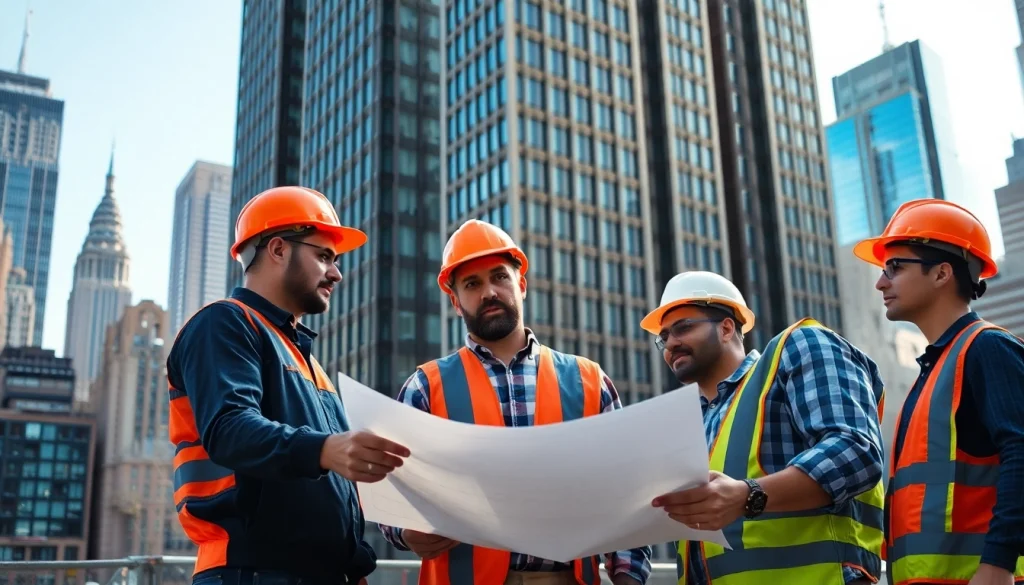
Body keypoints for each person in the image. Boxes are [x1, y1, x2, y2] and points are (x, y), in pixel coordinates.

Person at [377, 219, 652, 585]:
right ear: (455, 301)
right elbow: (390, 492)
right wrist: (405, 532)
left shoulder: (589, 381)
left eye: (499, 277)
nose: (489, 292)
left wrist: (630, 578)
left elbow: (625, 489)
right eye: (472, 284)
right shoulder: (426, 387)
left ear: (520, 285)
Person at [167, 186, 411, 585]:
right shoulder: (223, 323)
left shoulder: (311, 365)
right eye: (324, 256)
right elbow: (229, 429)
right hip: (249, 572)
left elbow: (332, 486)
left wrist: (354, 564)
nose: (337, 272)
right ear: (278, 249)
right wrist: (325, 448)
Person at [642, 271, 886, 585]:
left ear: (727, 327)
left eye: (684, 327)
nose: (671, 343)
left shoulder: (797, 348)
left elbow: (856, 451)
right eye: (663, 337)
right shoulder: (691, 427)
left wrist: (748, 495)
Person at [853, 198, 1024, 585]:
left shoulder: (987, 349)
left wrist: (997, 565)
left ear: (942, 273)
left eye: (895, 267)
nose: (881, 282)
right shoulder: (936, 369)